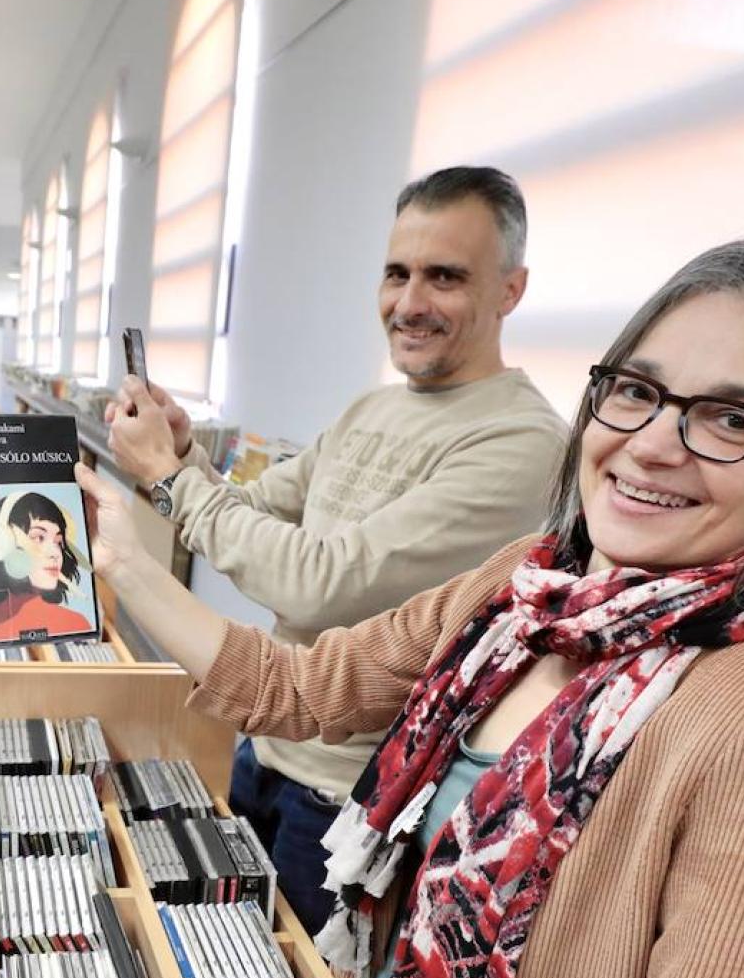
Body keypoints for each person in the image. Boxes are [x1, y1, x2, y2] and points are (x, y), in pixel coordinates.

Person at [78, 230, 744, 978]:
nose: (650, 445)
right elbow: (304, 687)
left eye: (731, 421)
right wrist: (122, 564)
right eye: (636, 392)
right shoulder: (520, 591)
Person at [105, 166, 566, 933]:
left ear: (510, 290)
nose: (410, 303)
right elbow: (252, 510)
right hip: (264, 750)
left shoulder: (521, 444)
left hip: (349, 805)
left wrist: (168, 480)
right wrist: (182, 457)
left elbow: (318, 584)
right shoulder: (371, 407)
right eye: (397, 273)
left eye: (445, 277)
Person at [0, 490, 93, 644]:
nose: (56, 553)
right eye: (39, 537)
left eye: (58, 542)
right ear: (1, 545)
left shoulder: (76, 625)